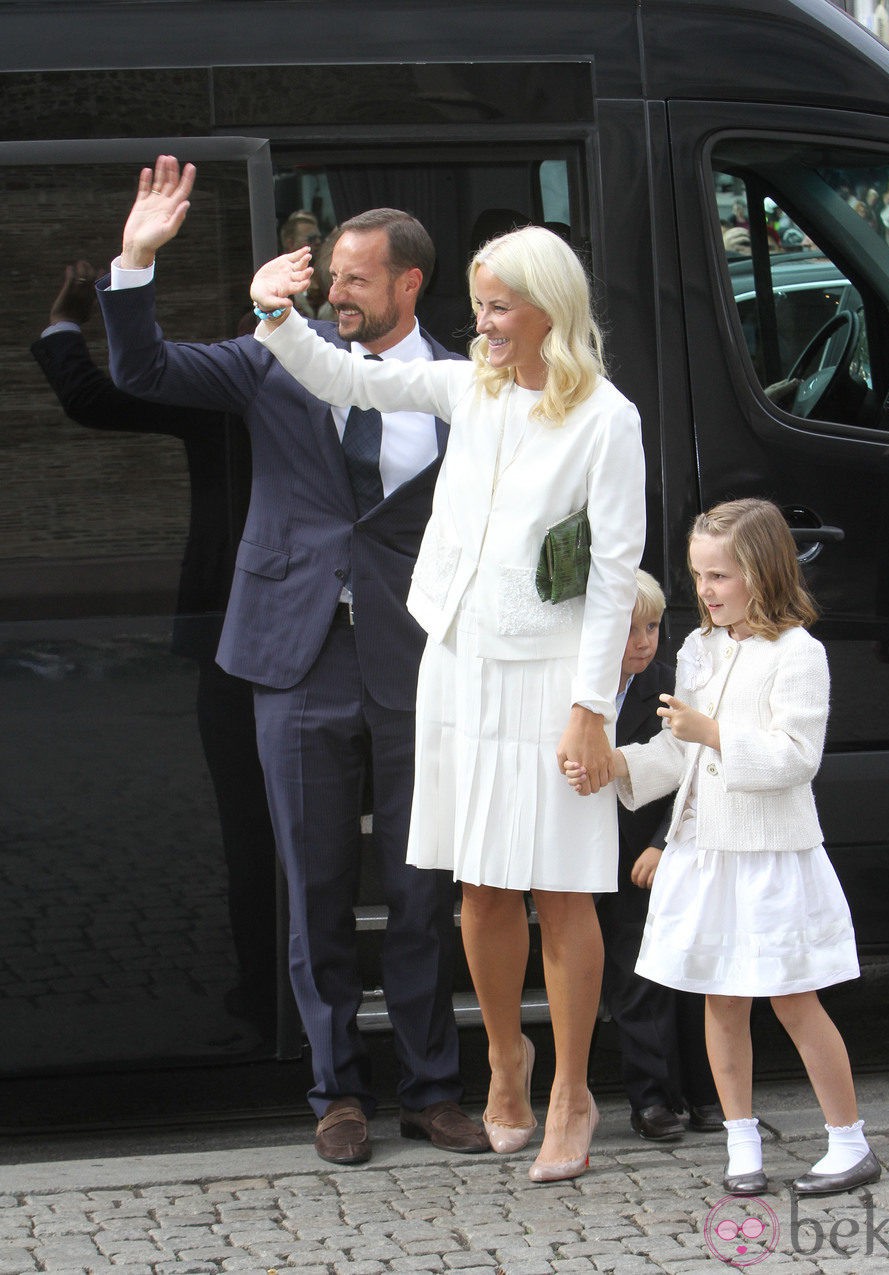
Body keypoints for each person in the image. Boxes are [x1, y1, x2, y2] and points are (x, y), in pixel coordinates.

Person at [96, 155, 488, 1165]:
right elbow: (143, 373)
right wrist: (136, 260)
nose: (335, 293)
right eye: (330, 277)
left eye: (355, 278)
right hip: (295, 657)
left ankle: (432, 1090)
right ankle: (336, 1093)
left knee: (420, 892)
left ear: (408, 283)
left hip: (417, 662)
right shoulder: (277, 353)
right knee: (314, 890)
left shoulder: (464, 384)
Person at [248, 219, 646, 1182]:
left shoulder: (608, 419)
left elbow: (611, 578)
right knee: (480, 885)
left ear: (550, 308)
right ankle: (506, 1059)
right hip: (457, 668)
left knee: (562, 887)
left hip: (554, 679)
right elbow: (345, 379)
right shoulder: (465, 385)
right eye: (478, 307)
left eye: (499, 307)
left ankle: (571, 1093)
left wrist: (592, 706)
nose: (484, 324)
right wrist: (277, 314)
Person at [567, 498, 880, 1199]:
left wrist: (712, 733)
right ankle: (742, 1144)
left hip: (771, 856)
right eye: (699, 574)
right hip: (706, 851)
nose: (704, 590)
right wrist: (616, 764)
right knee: (721, 999)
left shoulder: (798, 653)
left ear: (761, 572)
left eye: (719, 575)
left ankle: (849, 1141)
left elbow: (797, 757)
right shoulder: (698, 647)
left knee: (795, 999)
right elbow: (678, 751)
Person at [32, 260, 278, 1040]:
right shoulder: (313, 391)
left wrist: (66, 319)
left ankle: (265, 992)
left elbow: (91, 397)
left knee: (249, 827)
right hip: (266, 633)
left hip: (234, 636)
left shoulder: (226, 394)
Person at [596, 570, 722, 1143]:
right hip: (592, 857)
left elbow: (693, 774)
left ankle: (690, 1097)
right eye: (629, 630)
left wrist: (661, 843)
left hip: (649, 857)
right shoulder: (578, 693)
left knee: (668, 978)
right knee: (628, 981)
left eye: (651, 628)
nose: (643, 642)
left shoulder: (670, 687)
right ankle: (651, 1097)